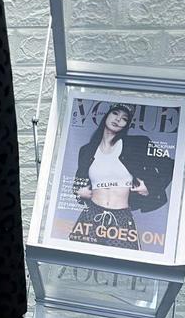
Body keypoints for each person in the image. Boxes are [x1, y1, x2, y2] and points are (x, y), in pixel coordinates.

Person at [69, 102, 174, 251]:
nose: (118, 119)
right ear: (107, 115)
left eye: (124, 118)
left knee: (122, 263)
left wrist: (150, 187)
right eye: (115, 113)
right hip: (90, 215)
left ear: (127, 124)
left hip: (121, 218)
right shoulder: (86, 150)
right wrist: (80, 192)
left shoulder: (137, 144)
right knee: (79, 259)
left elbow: (169, 166)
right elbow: (77, 185)